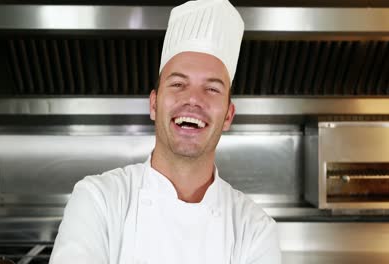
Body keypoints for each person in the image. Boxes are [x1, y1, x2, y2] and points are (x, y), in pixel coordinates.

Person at [50, 0, 281, 263]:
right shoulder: (98, 200)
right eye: (178, 83)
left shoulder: (255, 230)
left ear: (228, 115)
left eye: (212, 88)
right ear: (153, 104)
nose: (193, 99)